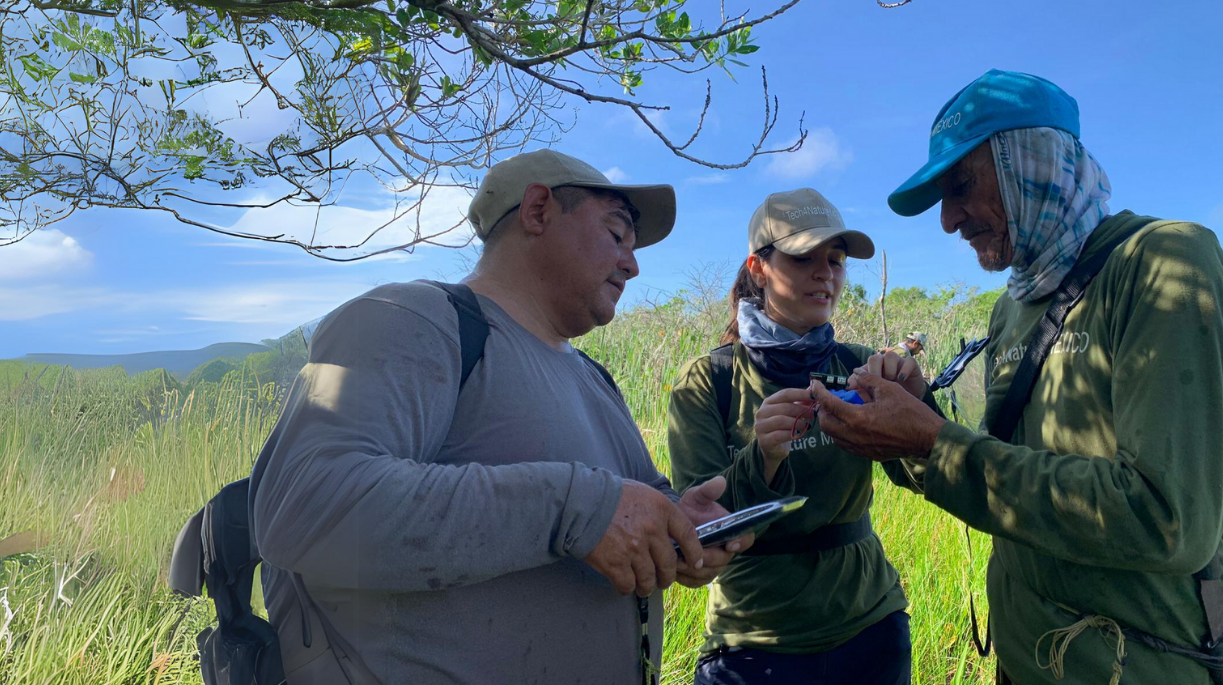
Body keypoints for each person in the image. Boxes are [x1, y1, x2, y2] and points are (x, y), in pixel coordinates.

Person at [247, 149, 751, 685]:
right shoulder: (414, 322)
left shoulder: (593, 377)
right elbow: (304, 504)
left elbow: (629, 502)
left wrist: (679, 524)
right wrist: (576, 509)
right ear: (537, 210)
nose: (633, 264)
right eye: (616, 232)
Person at [812, 69, 1223, 685]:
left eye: (963, 185)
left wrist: (930, 441)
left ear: (1032, 160)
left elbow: (1168, 520)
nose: (949, 220)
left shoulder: (1161, 262)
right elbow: (1001, 466)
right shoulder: (1014, 304)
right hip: (1022, 655)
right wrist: (915, 415)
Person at [667, 187, 935, 685]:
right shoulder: (710, 380)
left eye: (835, 260)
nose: (826, 273)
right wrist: (762, 456)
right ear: (758, 268)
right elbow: (698, 531)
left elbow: (925, 479)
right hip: (754, 645)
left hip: (872, 628)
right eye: (803, 257)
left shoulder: (859, 366)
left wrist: (918, 408)